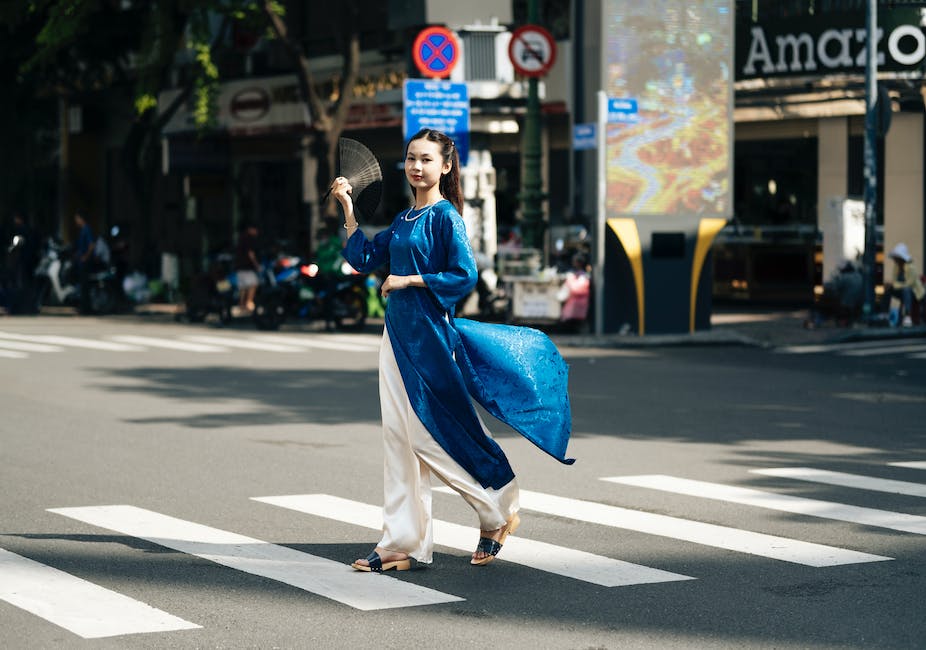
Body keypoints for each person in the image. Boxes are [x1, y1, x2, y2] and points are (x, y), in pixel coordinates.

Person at [331, 128, 573, 572]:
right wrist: (348, 209)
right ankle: (402, 543)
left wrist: (409, 280)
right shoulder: (404, 221)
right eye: (410, 158)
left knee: (432, 435)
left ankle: (498, 507)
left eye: (425, 159)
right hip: (396, 339)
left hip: (430, 340)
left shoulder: (446, 218)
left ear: (445, 166)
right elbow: (363, 257)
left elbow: (463, 275)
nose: (415, 167)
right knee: (398, 443)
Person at [885, 243, 925, 327]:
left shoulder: (911, 268)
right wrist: (891, 285)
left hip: (916, 293)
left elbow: (909, 284)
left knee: (906, 290)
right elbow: (895, 280)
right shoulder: (897, 267)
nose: (894, 260)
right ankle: (884, 313)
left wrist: (895, 285)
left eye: (896, 257)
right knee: (888, 289)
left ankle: (908, 315)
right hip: (903, 291)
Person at [558, 252, 591, 331]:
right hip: (573, 302)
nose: (573, 263)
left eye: (575, 261)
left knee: (574, 321)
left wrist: (570, 281)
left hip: (579, 302)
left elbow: (577, 289)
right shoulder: (575, 273)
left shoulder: (583, 276)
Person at [234, 222, 260, 314]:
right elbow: (251, 254)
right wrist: (257, 265)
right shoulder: (249, 239)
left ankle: (241, 305)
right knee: (254, 283)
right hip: (246, 267)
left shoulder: (241, 238)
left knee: (243, 287)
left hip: (239, 267)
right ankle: (249, 302)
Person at [73, 211, 96, 314]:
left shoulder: (87, 230)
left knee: (85, 286)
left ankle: (86, 309)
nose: (76, 221)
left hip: (85, 263)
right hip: (81, 262)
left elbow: (91, 245)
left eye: (77, 218)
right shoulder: (82, 230)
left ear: (81, 219)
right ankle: (84, 308)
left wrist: (85, 257)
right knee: (82, 286)